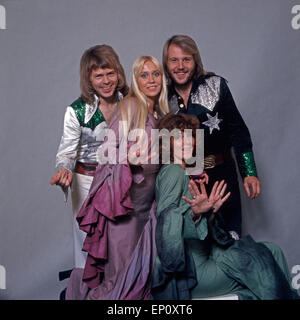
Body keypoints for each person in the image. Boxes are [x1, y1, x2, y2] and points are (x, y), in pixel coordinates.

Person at [151, 113, 298, 300]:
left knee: (271, 251)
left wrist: (210, 213)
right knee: (264, 266)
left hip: (207, 256)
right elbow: (166, 222)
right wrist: (195, 213)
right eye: (179, 137)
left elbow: (194, 223)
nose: (187, 142)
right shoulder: (173, 171)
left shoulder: (184, 171)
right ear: (167, 143)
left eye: (190, 136)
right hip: (194, 272)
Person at [65, 56, 169, 300]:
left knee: (142, 277)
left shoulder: (162, 111)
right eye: (144, 75)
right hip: (125, 207)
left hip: (149, 206)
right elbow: (107, 153)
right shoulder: (131, 106)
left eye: (156, 74)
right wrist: (128, 160)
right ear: (135, 79)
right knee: (120, 281)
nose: (151, 80)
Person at [162, 34, 261, 236]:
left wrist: (249, 172)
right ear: (166, 63)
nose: (180, 66)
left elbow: (238, 131)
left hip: (222, 175)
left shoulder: (215, 85)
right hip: (186, 182)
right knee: (196, 243)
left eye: (186, 59)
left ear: (195, 61)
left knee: (229, 240)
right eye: (174, 60)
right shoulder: (162, 97)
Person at [50, 45, 128, 268]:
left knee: (122, 240)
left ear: (118, 73)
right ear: (89, 79)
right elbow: (66, 152)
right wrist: (64, 169)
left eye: (110, 73)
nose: (106, 81)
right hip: (87, 183)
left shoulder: (131, 102)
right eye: (99, 75)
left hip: (122, 180)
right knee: (89, 242)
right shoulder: (77, 111)